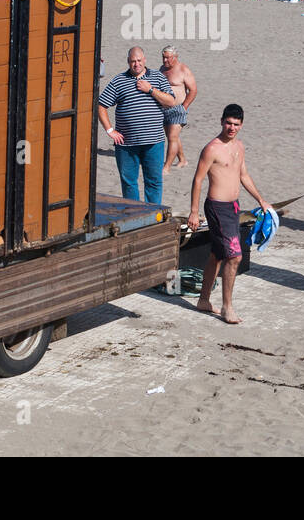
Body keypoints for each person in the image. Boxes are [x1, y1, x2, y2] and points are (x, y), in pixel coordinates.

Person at [187, 104, 271, 325]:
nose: (231, 127)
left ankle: (203, 300)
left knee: (217, 254)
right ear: (222, 121)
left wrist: (260, 199)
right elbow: (197, 180)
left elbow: (243, 175)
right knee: (235, 256)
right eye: (228, 123)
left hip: (233, 207)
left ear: (241, 125)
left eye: (236, 124)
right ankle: (227, 307)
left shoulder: (239, 147)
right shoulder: (212, 149)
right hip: (216, 208)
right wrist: (194, 212)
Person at [97, 46, 178, 204]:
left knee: (154, 182)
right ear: (128, 62)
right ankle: (132, 215)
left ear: (145, 60)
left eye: (139, 60)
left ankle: (154, 215)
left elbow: (171, 101)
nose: (136, 64)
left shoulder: (157, 77)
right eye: (133, 61)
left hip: (154, 142)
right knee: (129, 183)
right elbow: (101, 106)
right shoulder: (119, 80)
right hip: (127, 144)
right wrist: (110, 130)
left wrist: (151, 90)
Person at [160, 45, 197, 171]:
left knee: (172, 138)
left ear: (175, 57)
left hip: (178, 109)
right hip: (164, 109)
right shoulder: (162, 69)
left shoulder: (183, 70)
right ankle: (182, 159)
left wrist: (184, 107)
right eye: (163, 57)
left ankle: (167, 167)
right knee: (172, 136)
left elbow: (193, 90)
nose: (165, 60)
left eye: (168, 58)